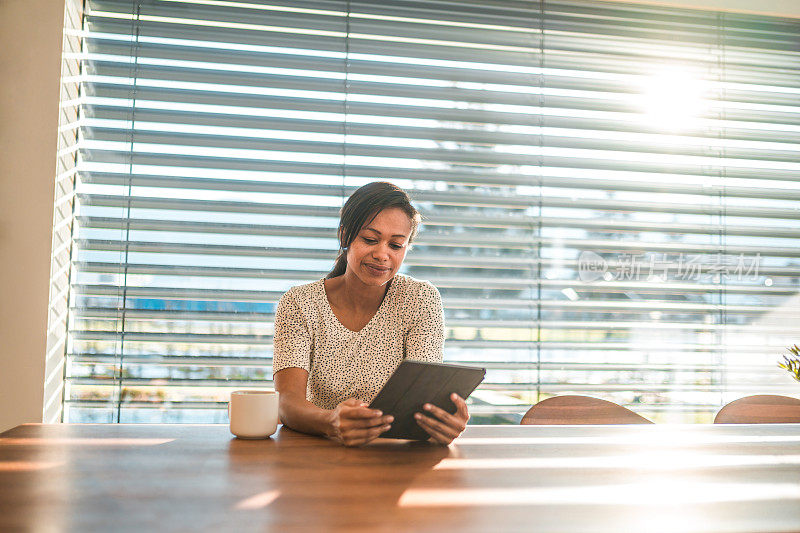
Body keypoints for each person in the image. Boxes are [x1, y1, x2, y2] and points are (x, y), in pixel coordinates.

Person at [272, 181, 469, 446]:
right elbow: (286, 403)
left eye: (396, 245)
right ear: (344, 236)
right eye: (370, 239)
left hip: (394, 455)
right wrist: (332, 422)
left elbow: (423, 399)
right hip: (320, 452)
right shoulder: (299, 302)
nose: (382, 254)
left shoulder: (420, 299)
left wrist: (441, 423)